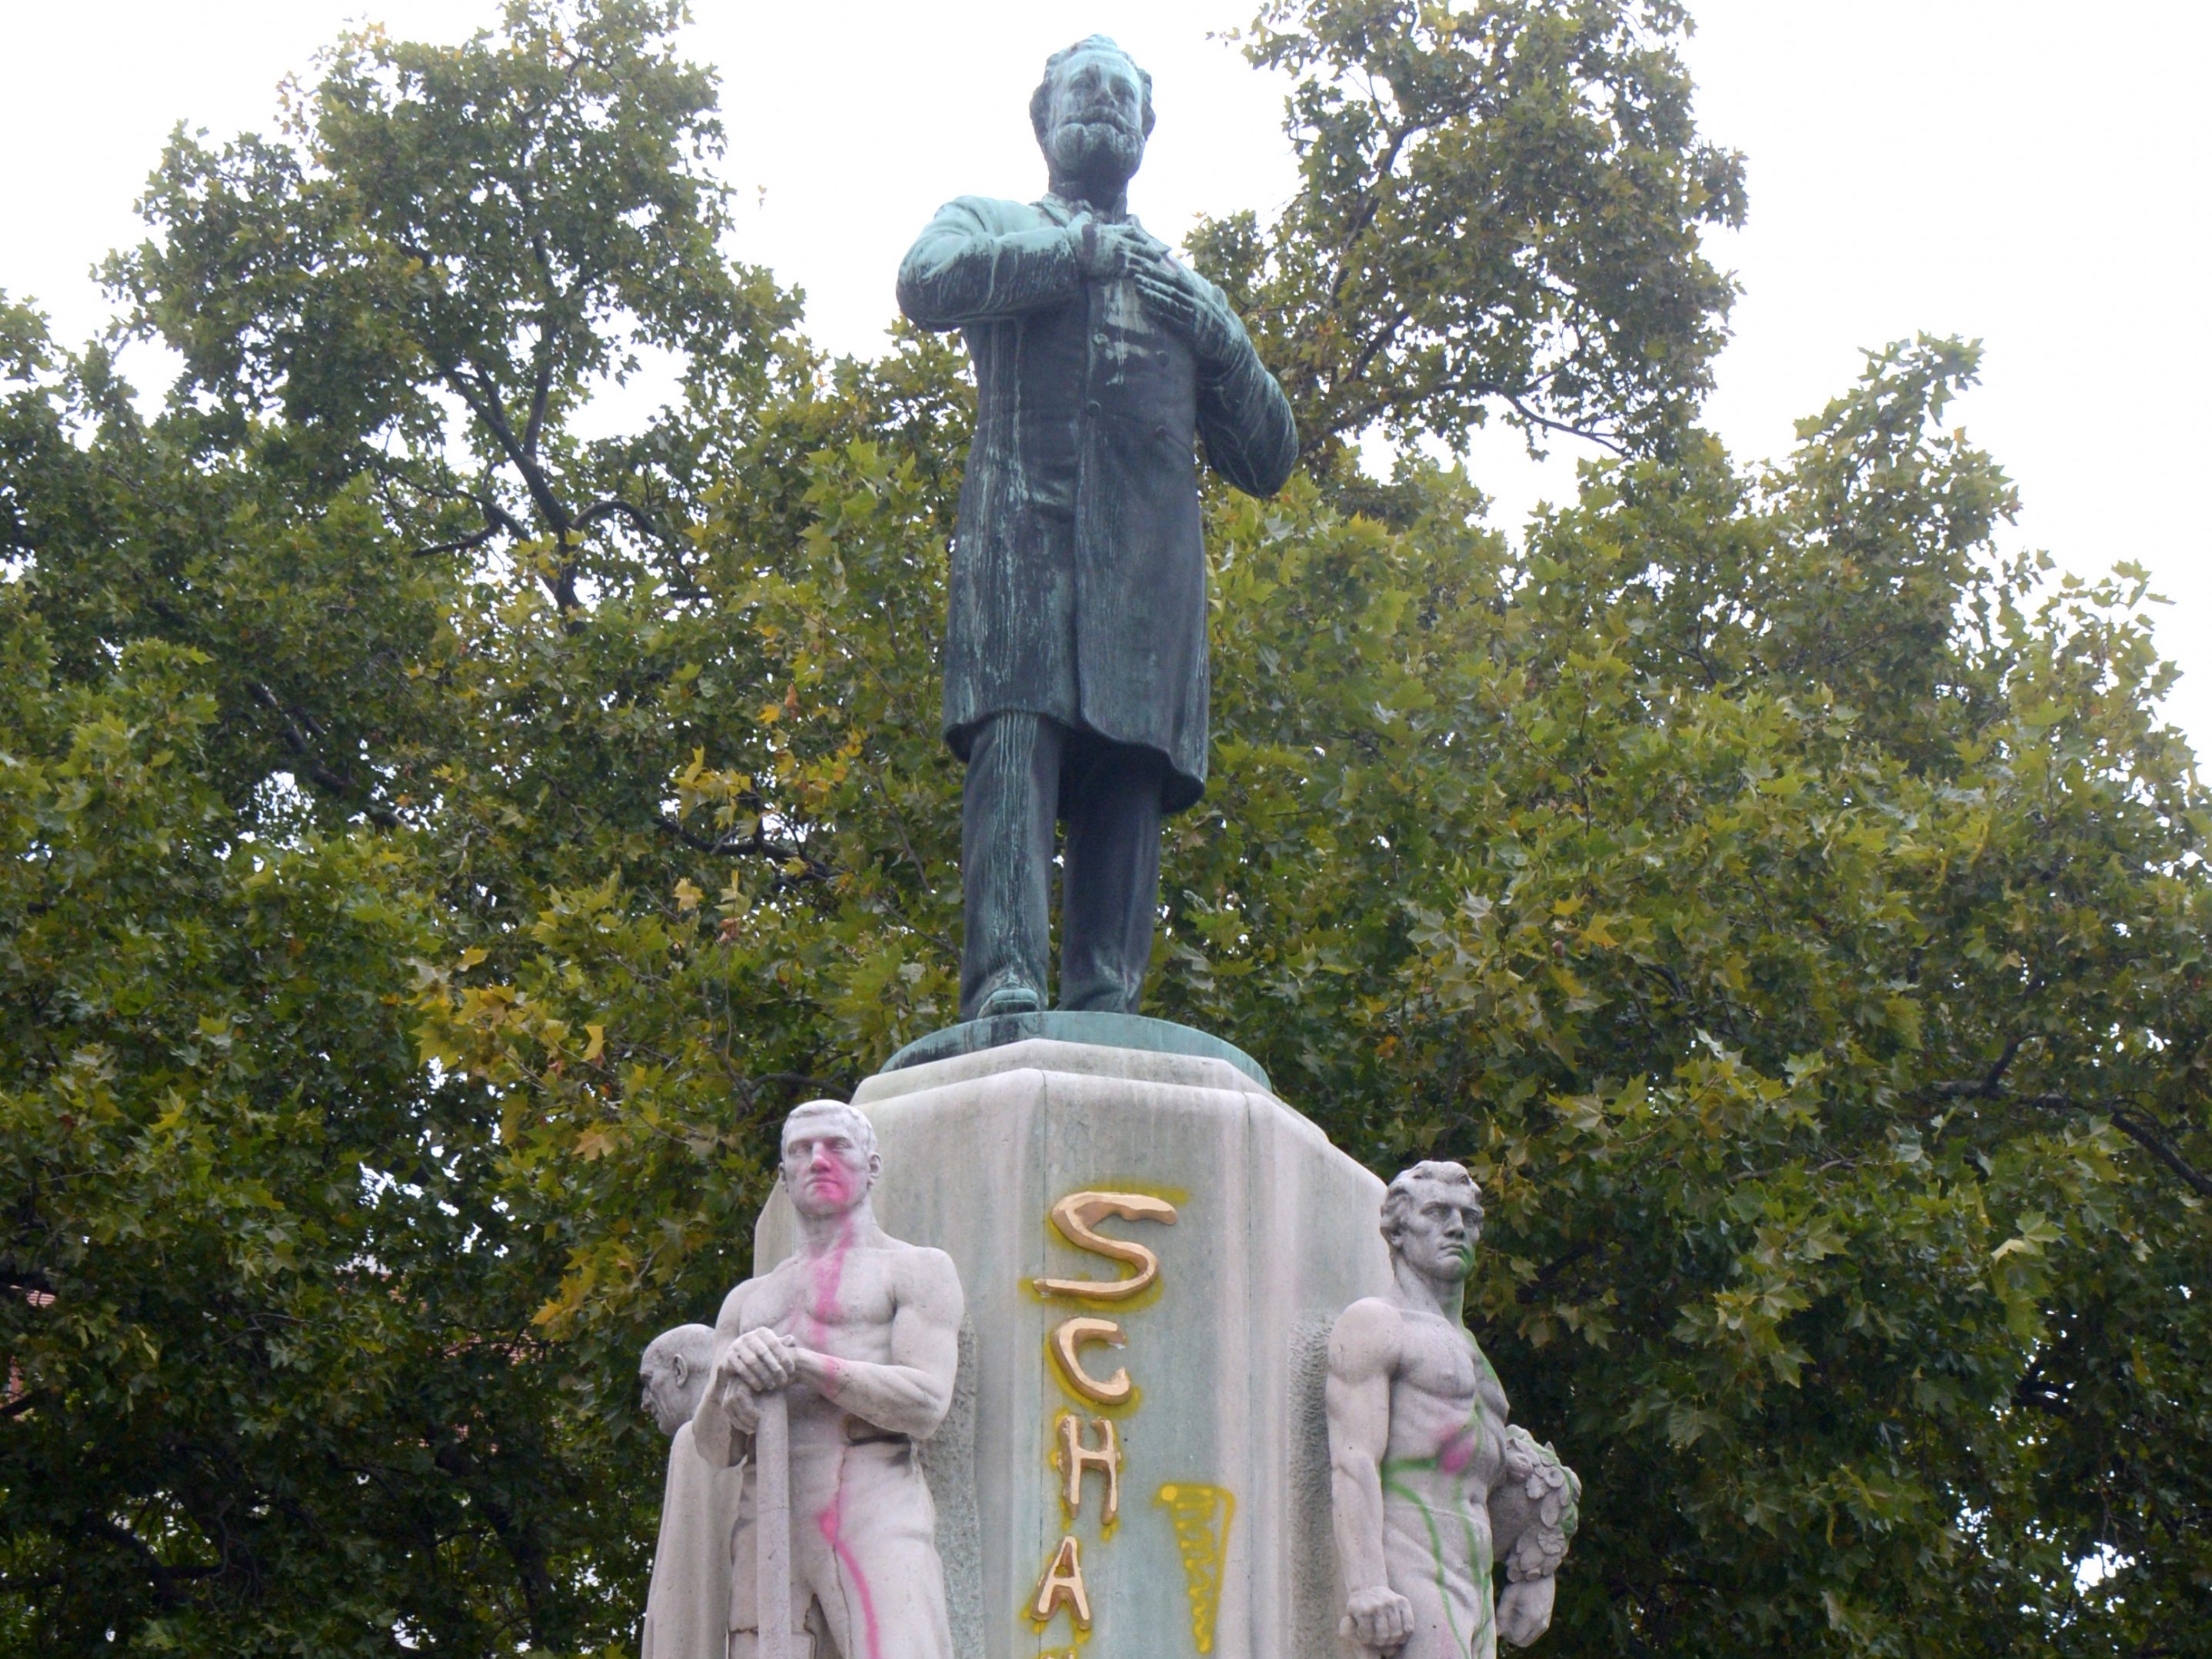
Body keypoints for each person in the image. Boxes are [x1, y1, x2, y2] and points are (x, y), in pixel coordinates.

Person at [897, 34, 1298, 1021]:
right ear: (1044, 117)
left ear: (1146, 130)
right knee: (1015, 749)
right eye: (1086, 88)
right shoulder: (994, 223)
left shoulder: (1182, 292)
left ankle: (1105, 1001)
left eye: (1124, 95)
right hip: (1019, 546)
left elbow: (1267, 459)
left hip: (1147, 578)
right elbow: (924, 284)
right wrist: (1074, 255)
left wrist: (1222, 336)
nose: (1105, 106)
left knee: (1129, 771)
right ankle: (1003, 981)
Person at [691, 1101, 964, 1659]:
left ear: (872, 1164)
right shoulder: (746, 1303)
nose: (817, 1159)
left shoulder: (915, 1269)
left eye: (835, 1145)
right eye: (800, 1149)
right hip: (768, 1513)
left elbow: (927, 1403)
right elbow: (716, 1448)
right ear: (784, 1175)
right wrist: (729, 1382)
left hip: (874, 1503)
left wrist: (808, 1365)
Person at [1327, 1162, 1580, 1657]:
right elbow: (1352, 1459)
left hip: (1473, 1573)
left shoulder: (1470, 1350)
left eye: (1467, 1216)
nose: (1456, 1227)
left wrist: (1536, 1570)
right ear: (1398, 1231)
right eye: (1437, 1213)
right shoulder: (1376, 1323)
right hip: (1410, 1563)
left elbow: (1512, 1466)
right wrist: (1367, 1586)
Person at [638, 1323, 742, 1659]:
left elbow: (683, 1607)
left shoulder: (696, 1442)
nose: (644, 1403)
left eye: (648, 1382)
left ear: (679, 1370)